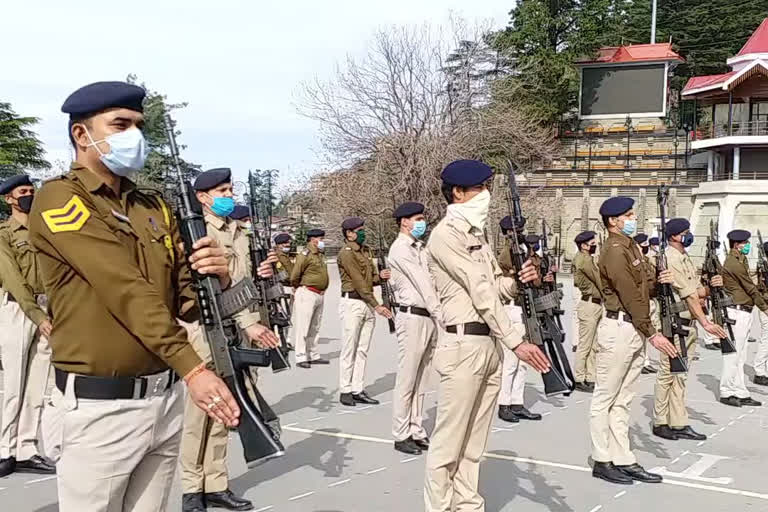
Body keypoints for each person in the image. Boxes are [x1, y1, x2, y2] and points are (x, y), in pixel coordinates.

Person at [29, 81, 264, 512]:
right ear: (82, 135)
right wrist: (195, 370)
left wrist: (218, 277)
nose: (133, 135)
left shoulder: (153, 206)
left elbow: (182, 299)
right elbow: (125, 289)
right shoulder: (60, 198)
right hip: (103, 410)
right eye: (120, 124)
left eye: (138, 124)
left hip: (164, 398)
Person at [423, 159, 549, 512]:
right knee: (448, 445)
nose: (486, 195)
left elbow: (494, 286)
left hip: (487, 345)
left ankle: (468, 505)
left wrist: (517, 281)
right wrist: (516, 340)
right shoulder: (445, 235)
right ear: (457, 193)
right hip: (463, 345)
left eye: (487, 187)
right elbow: (479, 290)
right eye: (479, 188)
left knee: (474, 445)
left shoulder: (476, 234)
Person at [181, 168, 281, 512]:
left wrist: (261, 276)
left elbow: (238, 281)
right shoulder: (198, 232)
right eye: (221, 190)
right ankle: (192, 490)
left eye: (229, 189)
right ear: (202, 198)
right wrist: (248, 321)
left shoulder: (238, 230)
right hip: (205, 328)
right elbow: (208, 286)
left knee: (229, 407)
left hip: (235, 323)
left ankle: (217, 484)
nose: (228, 195)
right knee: (200, 416)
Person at [590, 196, 678, 485]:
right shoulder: (615, 251)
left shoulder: (629, 248)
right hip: (620, 327)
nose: (632, 219)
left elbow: (643, 288)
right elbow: (628, 295)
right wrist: (652, 332)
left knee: (623, 399)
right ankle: (602, 458)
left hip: (632, 328)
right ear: (613, 221)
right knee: (606, 397)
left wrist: (658, 280)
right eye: (627, 215)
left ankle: (622, 457)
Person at [0, 174, 56, 478]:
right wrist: (38, 316)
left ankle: (28, 448)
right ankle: (4, 450)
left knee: (38, 385)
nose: (29, 196)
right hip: (18, 309)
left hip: (48, 309)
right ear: (9, 198)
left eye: (32, 190)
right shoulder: (4, 233)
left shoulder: (43, 230)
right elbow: (13, 279)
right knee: (14, 384)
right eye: (23, 192)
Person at [651, 219, 726, 441]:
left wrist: (712, 287)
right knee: (668, 373)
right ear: (674, 236)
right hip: (675, 323)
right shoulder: (671, 259)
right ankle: (660, 421)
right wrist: (706, 323)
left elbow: (697, 291)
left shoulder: (684, 257)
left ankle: (678, 422)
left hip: (686, 323)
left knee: (680, 375)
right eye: (685, 233)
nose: (689, 235)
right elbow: (689, 296)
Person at [388, 202, 441, 455]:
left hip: (427, 318)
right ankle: (401, 433)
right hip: (412, 317)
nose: (422, 223)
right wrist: (441, 314)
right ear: (404, 222)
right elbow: (423, 284)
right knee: (408, 378)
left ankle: (416, 428)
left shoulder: (420, 248)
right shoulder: (400, 249)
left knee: (423, 379)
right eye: (417, 219)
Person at [337, 216, 393, 406]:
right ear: (349, 234)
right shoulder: (346, 253)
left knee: (362, 349)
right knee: (349, 348)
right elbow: (359, 282)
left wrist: (380, 277)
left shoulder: (365, 252)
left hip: (366, 302)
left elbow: (368, 279)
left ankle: (357, 388)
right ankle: (345, 389)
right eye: (358, 230)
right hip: (353, 302)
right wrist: (377, 305)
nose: (362, 232)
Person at [495, 216, 543, 422]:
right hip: (512, 309)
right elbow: (508, 269)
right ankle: (503, 403)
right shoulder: (508, 251)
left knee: (523, 362)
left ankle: (517, 402)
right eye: (517, 229)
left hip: (526, 309)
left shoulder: (524, 249)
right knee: (510, 362)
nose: (521, 232)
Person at [719, 229, 766, 407]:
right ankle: (726, 391)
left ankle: (739, 390)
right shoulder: (733, 263)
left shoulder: (740, 259)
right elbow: (750, 288)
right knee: (732, 355)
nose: (748, 246)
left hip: (744, 311)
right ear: (737, 244)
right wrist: (765, 307)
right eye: (745, 243)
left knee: (741, 355)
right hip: (736, 312)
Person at [290, 229, 330, 368]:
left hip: (319, 293)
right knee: (303, 326)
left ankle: (313, 354)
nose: (322, 241)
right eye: (320, 238)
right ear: (313, 239)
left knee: (315, 326)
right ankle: (301, 356)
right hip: (307, 292)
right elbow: (295, 274)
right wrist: (297, 286)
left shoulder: (319, 254)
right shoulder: (305, 254)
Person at [572, 230, 602, 393]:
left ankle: (590, 376)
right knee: (585, 345)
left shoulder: (587, 259)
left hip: (595, 304)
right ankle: (579, 378)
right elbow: (599, 279)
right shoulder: (584, 260)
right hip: (589, 304)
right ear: (583, 245)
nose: (594, 245)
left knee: (593, 344)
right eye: (592, 243)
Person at [634, 233, 658, 375]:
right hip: (643, 300)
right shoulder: (637, 262)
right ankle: (641, 361)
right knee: (642, 333)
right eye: (643, 245)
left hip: (651, 299)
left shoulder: (647, 260)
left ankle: (645, 360)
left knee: (648, 333)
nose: (646, 248)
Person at [755, 240, 768, 387]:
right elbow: (762, 291)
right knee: (766, 340)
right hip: (765, 308)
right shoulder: (764, 270)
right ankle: (760, 371)